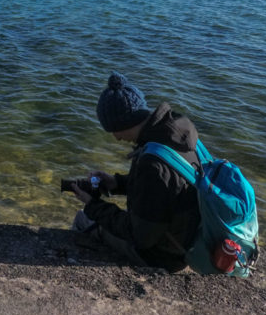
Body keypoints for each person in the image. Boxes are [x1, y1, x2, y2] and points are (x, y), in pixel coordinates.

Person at [68, 72, 201, 272]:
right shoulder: (176, 137)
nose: (114, 137)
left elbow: (140, 236)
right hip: (189, 239)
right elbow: (167, 186)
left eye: (112, 130)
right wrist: (117, 183)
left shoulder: (151, 164)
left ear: (119, 124)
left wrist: (92, 205)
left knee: (83, 219)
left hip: (164, 255)